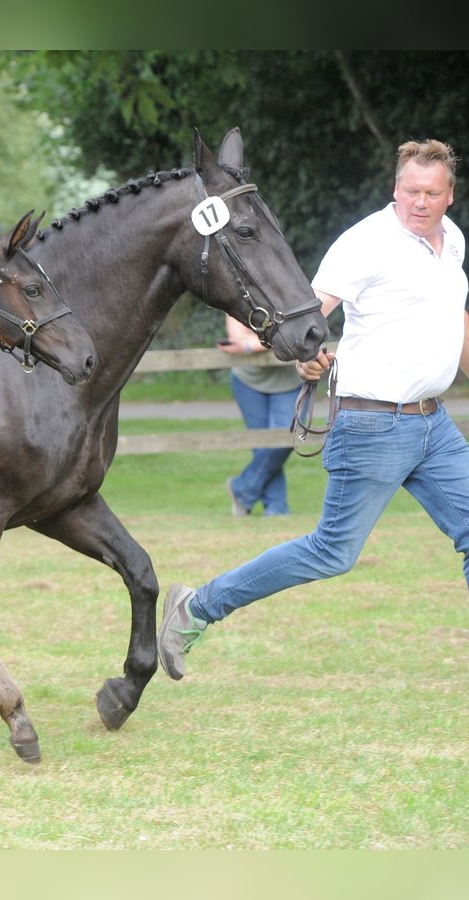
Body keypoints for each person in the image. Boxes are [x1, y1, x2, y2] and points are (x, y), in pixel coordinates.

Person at [159, 138, 469, 680]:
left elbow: (454, 321)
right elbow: (306, 313)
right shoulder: (365, 244)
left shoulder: (454, 242)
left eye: (432, 193)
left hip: (432, 424)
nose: (420, 202)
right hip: (372, 422)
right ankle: (197, 607)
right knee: (332, 552)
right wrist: (305, 357)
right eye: (410, 191)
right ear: (395, 189)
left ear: (449, 195)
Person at [219, 315, 304, 516]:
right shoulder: (242, 298)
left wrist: (250, 344)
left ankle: (241, 488)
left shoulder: (288, 300)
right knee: (263, 447)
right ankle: (276, 508)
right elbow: (237, 338)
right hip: (248, 382)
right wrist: (271, 340)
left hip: (289, 383)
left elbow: (292, 337)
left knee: (284, 439)